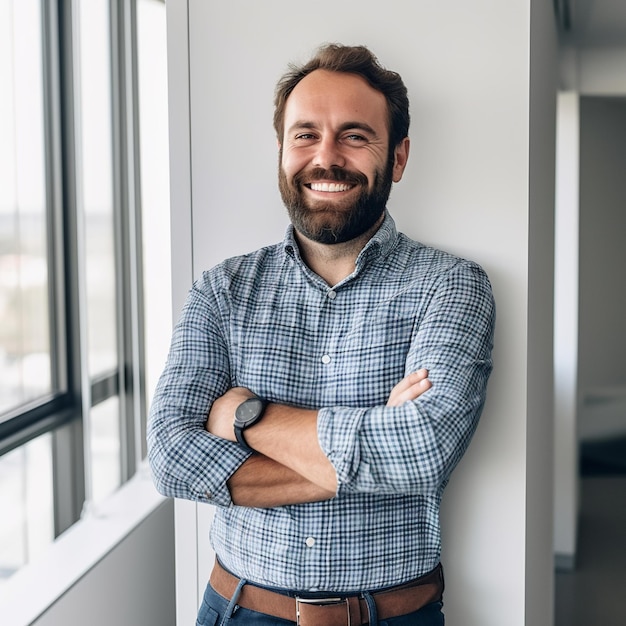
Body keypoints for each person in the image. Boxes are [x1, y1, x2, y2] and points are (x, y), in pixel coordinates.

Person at [148, 43, 495, 626]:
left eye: (355, 136)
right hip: (236, 610)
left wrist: (246, 417)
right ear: (282, 150)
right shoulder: (222, 289)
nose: (325, 158)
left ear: (399, 156)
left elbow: (423, 450)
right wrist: (365, 448)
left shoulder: (452, 286)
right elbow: (172, 457)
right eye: (305, 134)